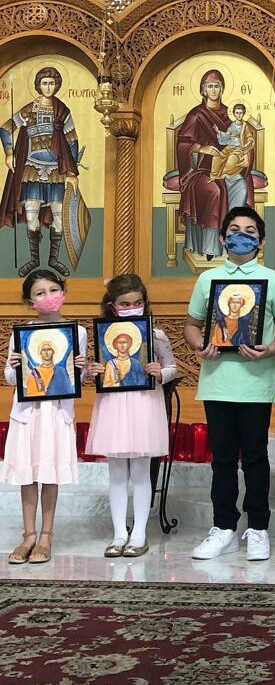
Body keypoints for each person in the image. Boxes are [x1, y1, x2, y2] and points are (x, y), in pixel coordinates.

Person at [184, 207, 275, 562]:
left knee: (255, 457)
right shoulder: (208, 279)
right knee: (221, 460)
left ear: (261, 242)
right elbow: (192, 325)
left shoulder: (272, 280)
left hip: (255, 383)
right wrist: (200, 346)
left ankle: (258, 528)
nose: (241, 236)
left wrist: (269, 349)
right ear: (222, 238)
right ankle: (224, 528)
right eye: (234, 230)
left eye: (250, 231)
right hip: (217, 383)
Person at [86, 275, 177, 558]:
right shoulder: (103, 334)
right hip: (113, 405)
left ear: (145, 303)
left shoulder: (156, 335)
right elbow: (92, 369)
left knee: (140, 472)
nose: (132, 307)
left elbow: (172, 367)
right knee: (116, 473)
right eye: (125, 304)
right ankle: (118, 534)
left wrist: (160, 373)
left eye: (137, 302)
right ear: (112, 305)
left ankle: (139, 534)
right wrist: (92, 371)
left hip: (144, 405)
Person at [3, 270, 87, 564]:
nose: (48, 297)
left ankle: (46, 535)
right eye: (40, 293)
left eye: (53, 290)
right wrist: (14, 367)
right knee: (28, 474)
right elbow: (11, 378)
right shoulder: (22, 334)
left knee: (50, 473)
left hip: (56, 413)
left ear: (63, 293)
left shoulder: (77, 333)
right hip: (28, 413)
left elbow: (78, 379)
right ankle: (28, 535)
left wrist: (81, 368)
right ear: (30, 301)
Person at [0, 67, 80, 277]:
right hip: (32, 169)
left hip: (56, 171)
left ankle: (54, 259)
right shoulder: (29, 110)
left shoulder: (62, 111)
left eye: (51, 83)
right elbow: (5, 128)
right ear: (38, 85)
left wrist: (72, 173)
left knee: (59, 214)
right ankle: (34, 259)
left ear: (57, 85)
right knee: (31, 212)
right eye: (44, 83)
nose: (48, 87)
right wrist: (9, 153)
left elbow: (72, 141)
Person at [176, 70, 256, 260]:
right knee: (216, 190)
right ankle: (211, 247)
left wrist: (246, 157)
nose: (213, 90)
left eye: (217, 86)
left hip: (228, 166)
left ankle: (234, 243)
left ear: (222, 89)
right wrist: (200, 148)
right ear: (203, 90)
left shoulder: (231, 115)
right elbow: (183, 144)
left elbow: (244, 140)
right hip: (202, 170)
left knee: (240, 186)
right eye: (210, 86)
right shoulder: (196, 116)